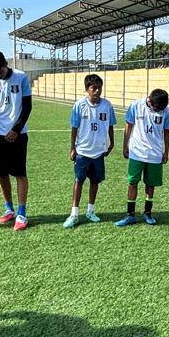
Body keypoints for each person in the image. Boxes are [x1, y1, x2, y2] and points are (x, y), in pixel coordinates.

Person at [0, 49, 32, 231]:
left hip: (18, 134)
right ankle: (9, 209)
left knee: (20, 173)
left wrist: (16, 129)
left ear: (6, 64)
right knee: (2, 173)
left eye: (0, 71)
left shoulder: (21, 77)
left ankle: (21, 213)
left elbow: (27, 107)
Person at [116, 88, 169, 227]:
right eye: (155, 108)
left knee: (150, 184)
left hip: (155, 154)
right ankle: (130, 215)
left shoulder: (166, 111)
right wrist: (125, 146)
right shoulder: (136, 105)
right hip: (137, 152)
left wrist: (166, 152)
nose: (157, 111)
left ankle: (148, 212)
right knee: (132, 182)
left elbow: (166, 133)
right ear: (150, 101)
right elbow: (128, 126)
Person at [65, 74, 115, 227]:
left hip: (99, 151)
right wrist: (72, 147)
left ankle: (90, 211)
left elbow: (110, 125)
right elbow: (74, 127)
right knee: (78, 181)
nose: (97, 91)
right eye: (94, 88)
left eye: (99, 87)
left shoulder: (107, 105)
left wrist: (111, 143)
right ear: (87, 89)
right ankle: (74, 214)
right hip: (83, 151)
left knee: (95, 181)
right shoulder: (79, 105)